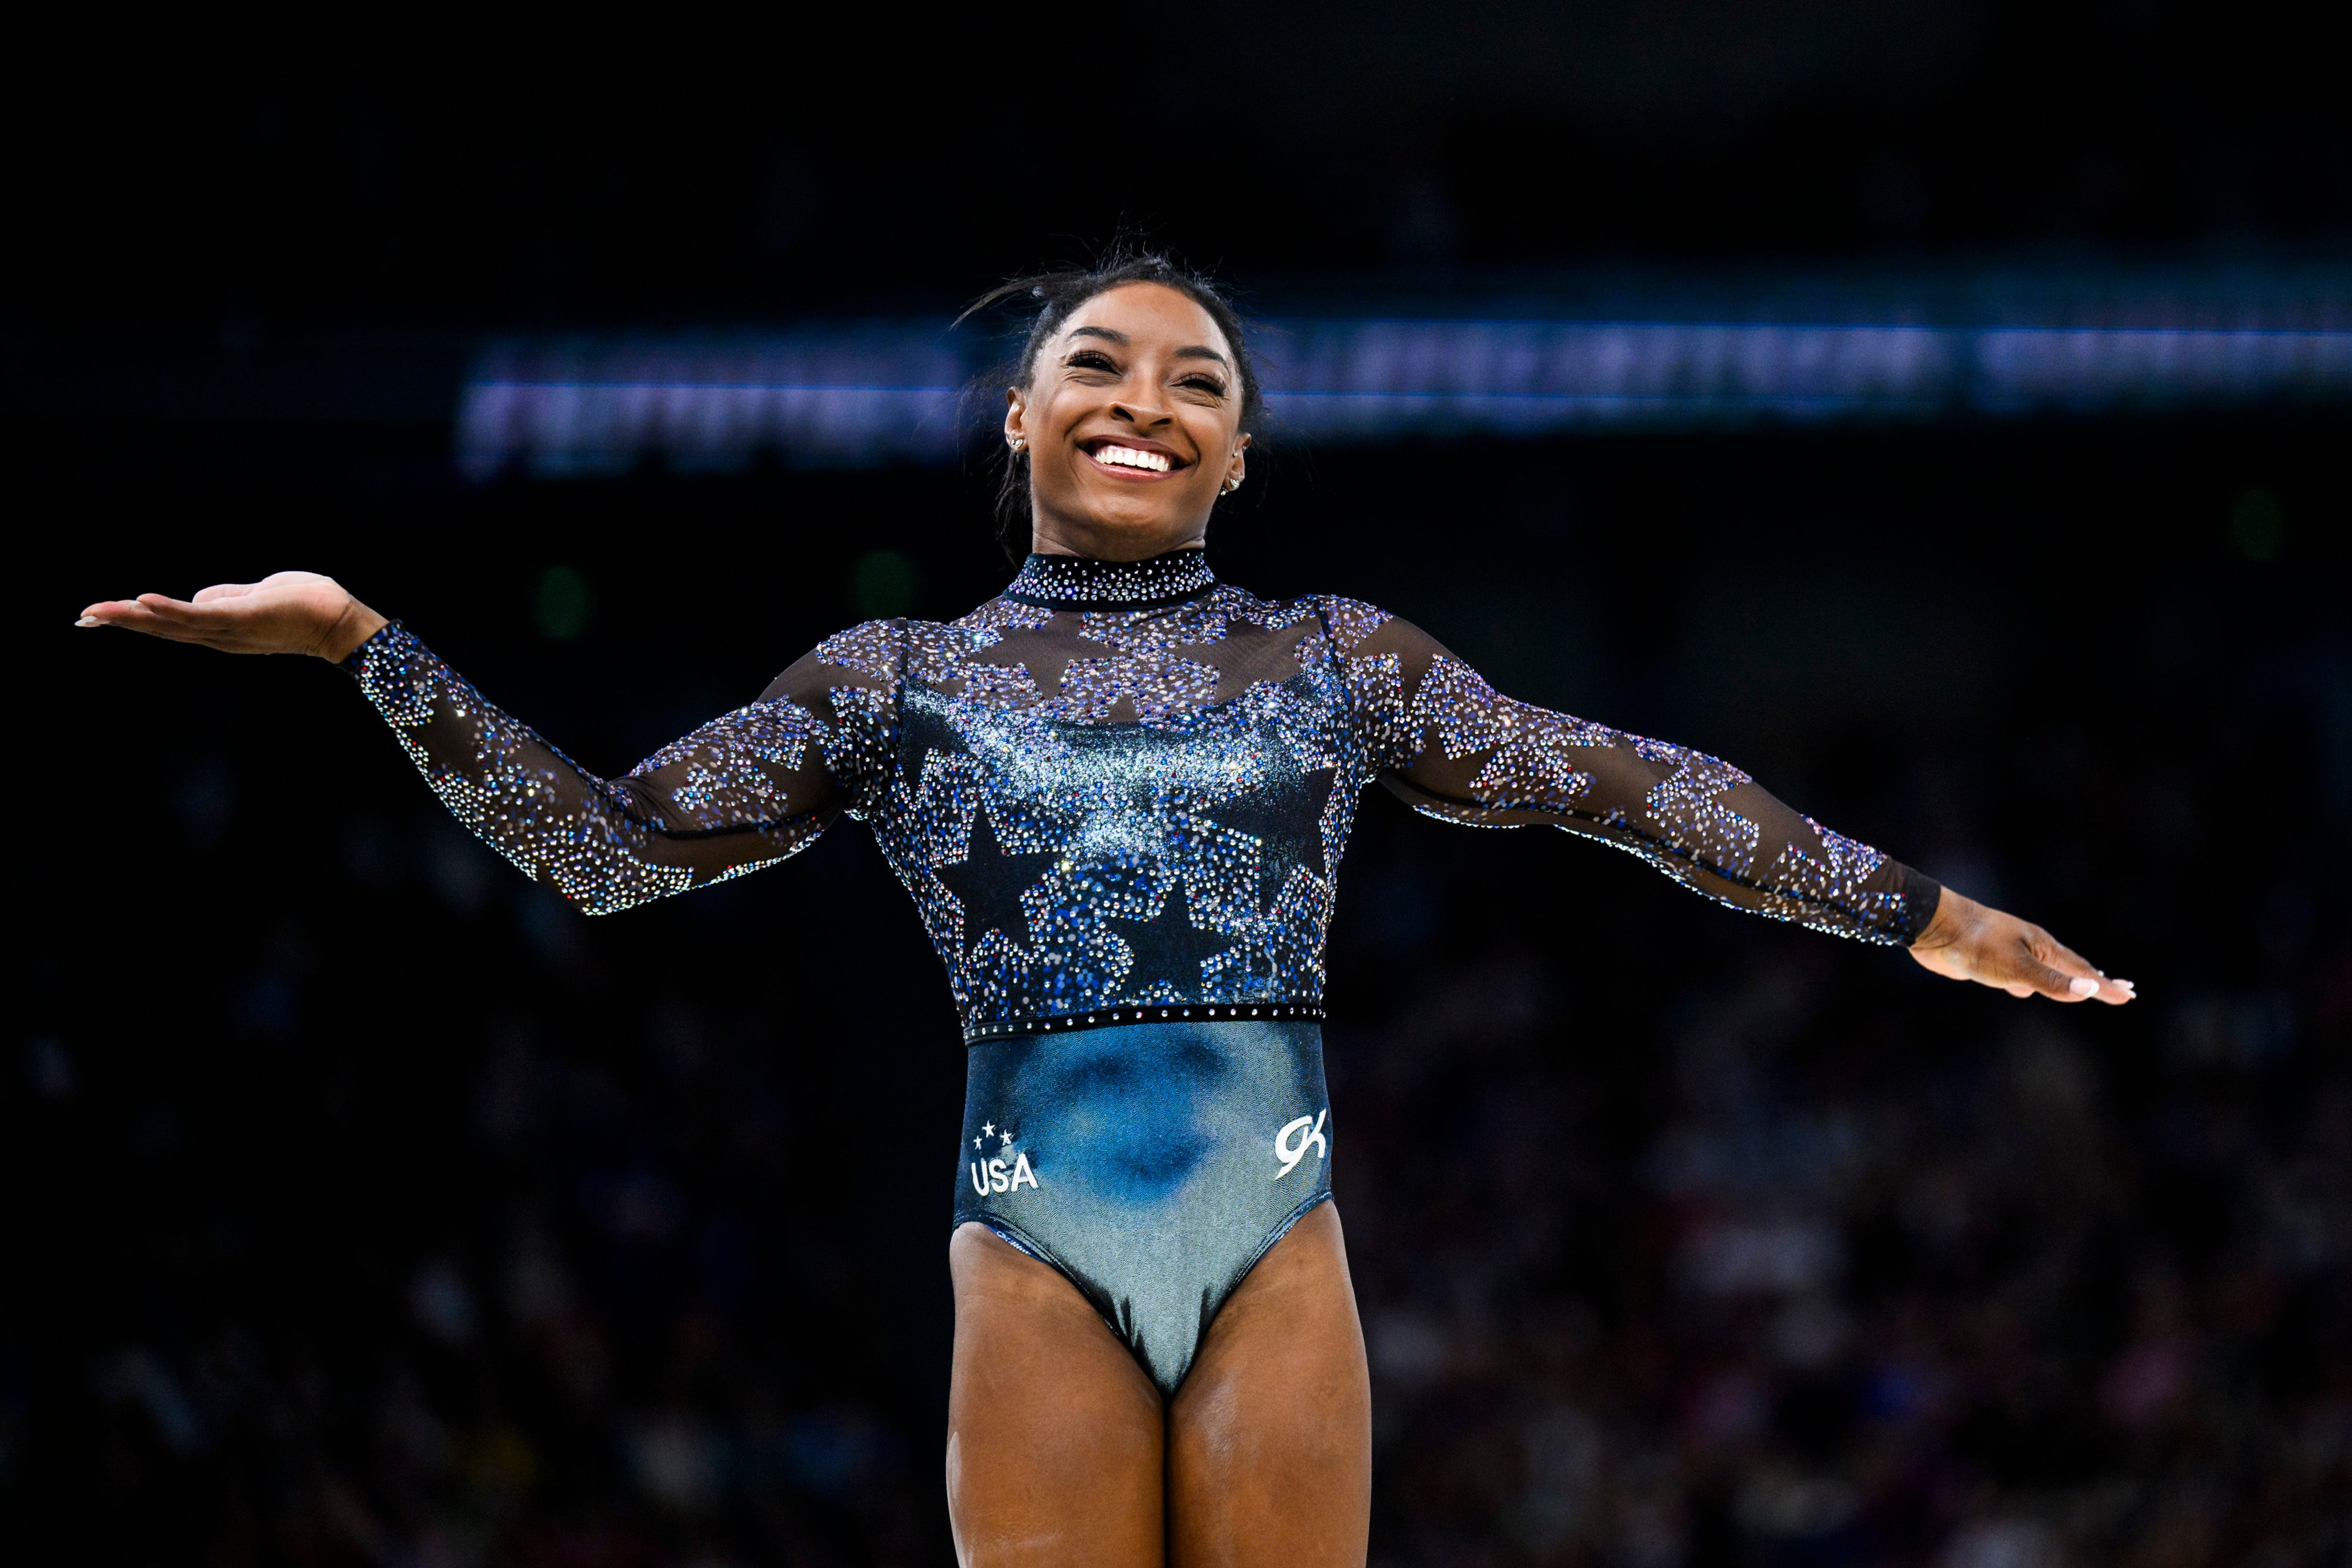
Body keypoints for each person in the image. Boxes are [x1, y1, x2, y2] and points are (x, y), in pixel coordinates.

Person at [78, 250, 2130, 1567]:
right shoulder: (894, 681)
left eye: (1196, 379)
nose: (1143, 395)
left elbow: (1632, 787)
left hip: (1277, 1223)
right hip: (1035, 1238)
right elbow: (614, 848)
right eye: (1095, 361)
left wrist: (1919, 910)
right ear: (1020, 416)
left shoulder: (1336, 656)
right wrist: (368, 648)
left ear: (1240, 451)